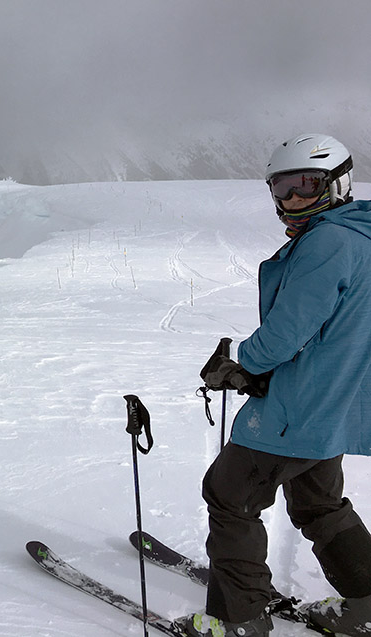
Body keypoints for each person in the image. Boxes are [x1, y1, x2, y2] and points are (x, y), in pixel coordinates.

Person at [183, 133, 371, 637]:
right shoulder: (362, 236)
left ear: (338, 183)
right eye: (281, 188)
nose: (291, 200)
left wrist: (245, 363)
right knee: (319, 504)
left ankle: (238, 621)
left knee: (229, 494)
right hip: (335, 404)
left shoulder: (328, 241)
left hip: (298, 408)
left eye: (306, 185)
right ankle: (369, 607)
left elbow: (288, 331)